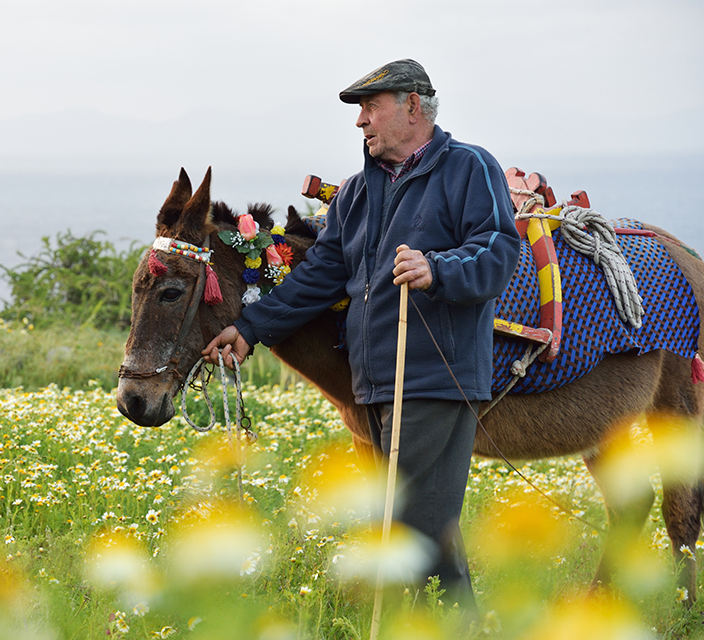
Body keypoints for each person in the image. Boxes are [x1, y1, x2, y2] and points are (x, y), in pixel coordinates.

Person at [203, 59, 520, 609]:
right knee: (402, 528)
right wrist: (249, 329)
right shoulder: (356, 193)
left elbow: (499, 250)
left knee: (416, 528)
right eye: (359, 111)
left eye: (370, 108)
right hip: (374, 384)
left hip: (434, 379)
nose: (360, 122)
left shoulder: (468, 167)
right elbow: (318, 278)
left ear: (413, 107)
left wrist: (437, 270)